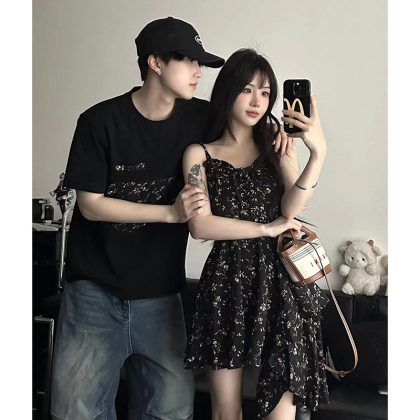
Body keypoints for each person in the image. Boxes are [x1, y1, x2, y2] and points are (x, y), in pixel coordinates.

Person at [50, 17, 225, 420]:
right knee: (78, 412)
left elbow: (245, 133)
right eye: (187, 60)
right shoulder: (99, 122)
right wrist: (170, 213)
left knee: (171, 411)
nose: (198, 71)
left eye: (200, 62)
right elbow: (90, 204)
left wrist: (289, 138)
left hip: (162, 295)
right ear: (155, 63)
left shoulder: (202, 119)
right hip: (94, 293)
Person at [183, 48, 331, 420]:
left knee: (280, 410)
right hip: (226, 282)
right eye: (247, 89)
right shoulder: (199, 154)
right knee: (225, 411)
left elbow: (293, 208)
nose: (256, 101)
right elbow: (200, 225)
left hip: (279, 284)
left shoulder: (276, 144)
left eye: (265, 92)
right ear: (228, 91)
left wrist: (318, 153)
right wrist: (264, 228)